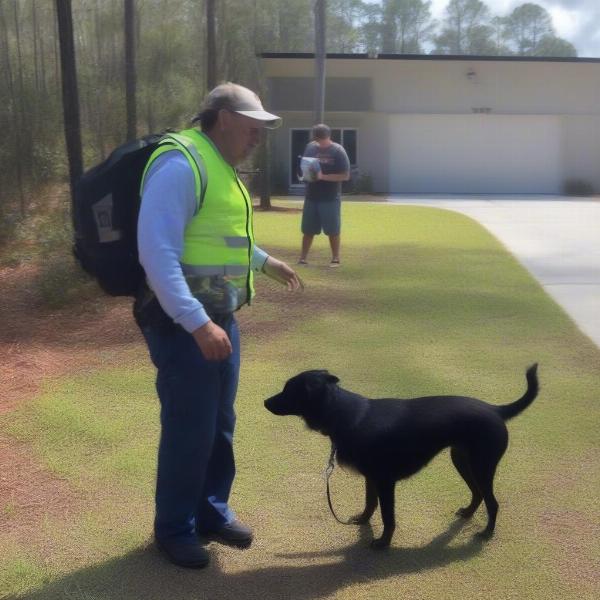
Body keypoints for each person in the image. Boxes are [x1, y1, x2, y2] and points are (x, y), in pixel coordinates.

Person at [135, 82, 302, 569]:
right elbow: (157, 251)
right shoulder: (180, 162)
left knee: (219, 423)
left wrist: (266, 260)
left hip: (219, 319)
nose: (259, 136)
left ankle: (210, 511)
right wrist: (196, 323)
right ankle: (174, 528)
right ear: (225, 116)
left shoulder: (218, 164)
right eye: (254, 126)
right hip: (184, 325)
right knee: (190, 427)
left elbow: (219, 237)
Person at [298, 123, 350, 267]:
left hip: (330, 197)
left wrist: (322, 177)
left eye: (318, 138)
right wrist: (305, 175)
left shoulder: (338, 151)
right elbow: (306, 166)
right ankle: (302, 258)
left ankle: (335, 258)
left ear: (324, 137)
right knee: (308, 230)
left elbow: (345, 176)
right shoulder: (310, 147)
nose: (317, 142)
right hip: (311, 196)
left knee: (332, 230)